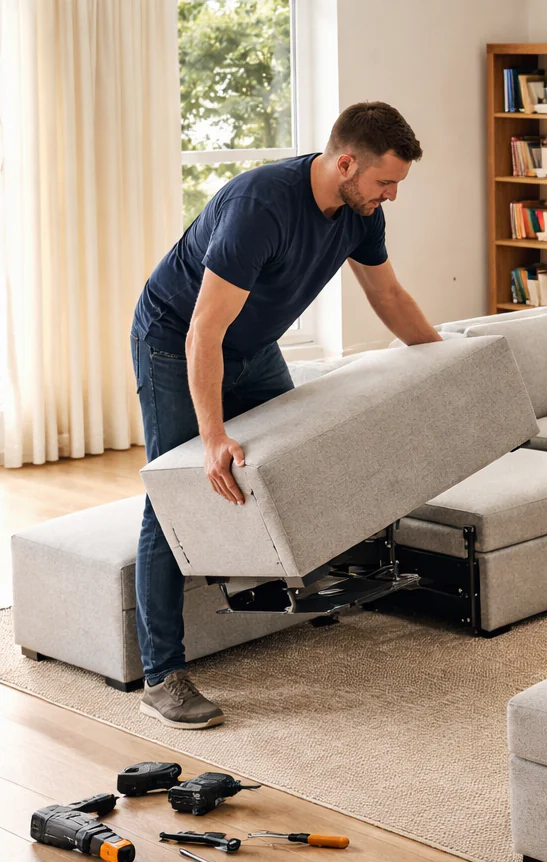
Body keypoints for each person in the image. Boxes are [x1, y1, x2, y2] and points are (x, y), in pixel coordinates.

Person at [130, 102, 441, 729]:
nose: (392, 196)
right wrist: (214, 436)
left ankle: (288, 597)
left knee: (296, 464)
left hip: (253, 345)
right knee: (174, 498)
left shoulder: (360, 213)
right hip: (175, 342)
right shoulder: (260, 206)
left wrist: (448, 364)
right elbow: (203, 332)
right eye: (386, 182)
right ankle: (163, 676)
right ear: (346, 163)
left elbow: (387, 294)